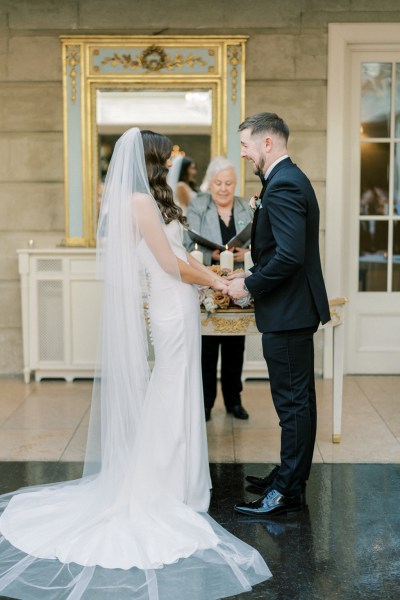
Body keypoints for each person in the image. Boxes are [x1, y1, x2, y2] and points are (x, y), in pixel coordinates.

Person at [0, 128, 271, 599]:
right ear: (151, 159)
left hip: (181, 302)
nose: (172, 164)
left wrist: (211, 275)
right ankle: (160, 489)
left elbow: (180, 252)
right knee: (170, 389)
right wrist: (218, 280)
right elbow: (169, 265)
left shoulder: (149, 199)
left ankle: (179, 485)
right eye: (167, 158)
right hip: (170, 307)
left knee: (180, 389)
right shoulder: (139, 203)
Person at [228, 113, 330, 517]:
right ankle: (291, 480)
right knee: (299, 402)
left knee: (293, 405)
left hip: (288, 312)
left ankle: (286, 492)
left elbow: (289, 255)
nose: (243, 154)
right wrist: (253, 272)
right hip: (293, 309)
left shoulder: (285, 183)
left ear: (267, 144)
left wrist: (248, 285)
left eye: (245, 146)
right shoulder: (285, 180)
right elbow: (282, 250)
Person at [185, 157, 252, 422]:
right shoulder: (198, 206)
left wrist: (245, 253)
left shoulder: (247, 207)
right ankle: (205, 403)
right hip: (207, 282)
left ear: (235, 184)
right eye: (218, 183)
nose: (223, 188)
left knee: (236, 345)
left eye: (229, 183)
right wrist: (205, 251)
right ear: (209, 183)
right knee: (207, 347)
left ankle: (234, 401)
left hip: (238, 282)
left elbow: (264, 242)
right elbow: (184, 242)